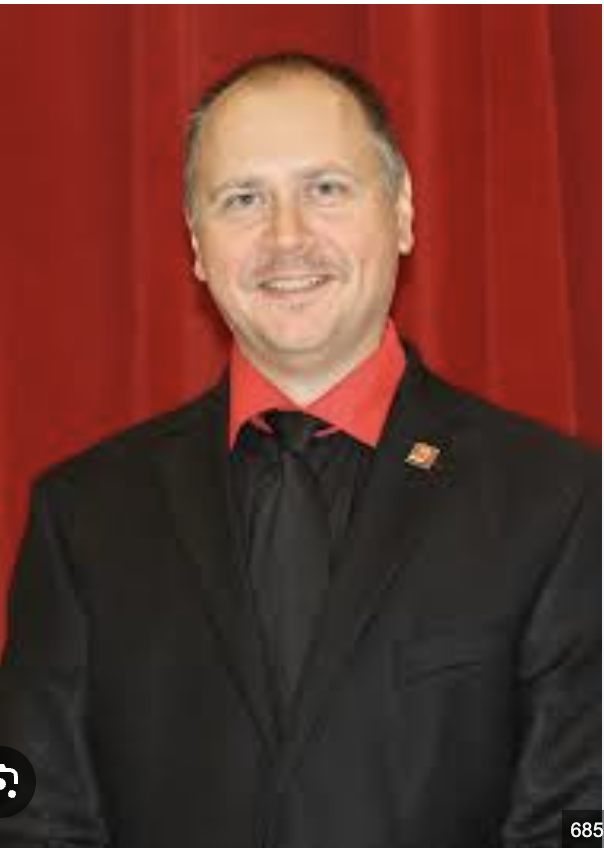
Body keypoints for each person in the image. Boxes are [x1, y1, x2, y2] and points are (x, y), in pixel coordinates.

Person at [0, 52, 600, 848]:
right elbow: (30, 814)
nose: (287, 237)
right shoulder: (82, 516)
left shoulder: (559, 502)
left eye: (326, 189)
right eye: (243, 199)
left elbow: (580, 821)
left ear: (404, 211)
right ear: (196, 244)